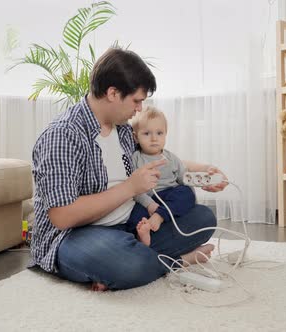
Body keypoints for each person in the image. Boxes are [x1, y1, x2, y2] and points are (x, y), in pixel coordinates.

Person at [30, 47, 227, 291]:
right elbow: (62, 216)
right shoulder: (63, 135)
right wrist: (129, 188)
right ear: (113, 93)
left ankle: (130, 259)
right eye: (136, 100)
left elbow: (156, 158)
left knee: (204, 219)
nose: (139, 109)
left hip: (132, 224)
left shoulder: (123, 129)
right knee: (128, 263)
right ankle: (178, 260)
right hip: (76, 234)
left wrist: (203, 172)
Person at [130, 106, 197, 247]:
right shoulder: (135, 158)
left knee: (187, 192)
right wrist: (150, 205)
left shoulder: (171, 158)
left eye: (159, 133)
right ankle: (143, 236)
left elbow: (183, 177)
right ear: (136, 137)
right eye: (147, 133)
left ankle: (159, 217)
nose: (154, 138)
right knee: (133, 216)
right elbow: (134, 189)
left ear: (165, 134)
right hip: (147, 199)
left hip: (169, 197)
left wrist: (199, 179)